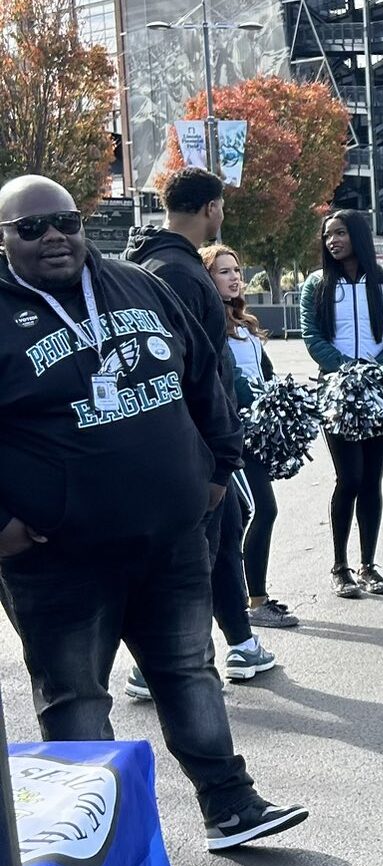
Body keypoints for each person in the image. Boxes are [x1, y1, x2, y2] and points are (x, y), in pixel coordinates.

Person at [0, 175, 308, 852]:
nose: (53, 236)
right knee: (76, 700)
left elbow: (205, 371)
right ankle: (97, 849)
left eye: (65, 220)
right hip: (59, 562)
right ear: (5, 240)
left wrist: (220, 463)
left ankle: (231, 805)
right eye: (30, 228)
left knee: (189, 671)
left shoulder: (138, 284)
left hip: (169, 541)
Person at [125, 166, 276, 690]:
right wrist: (216, 445)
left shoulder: (147, 260)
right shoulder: (180, 273)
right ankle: (160, 664)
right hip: (191, 444)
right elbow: (194, 370)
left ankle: (240, 642)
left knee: (224, 532)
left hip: (181, 439)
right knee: (195, 556)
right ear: (212, 207)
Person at [299, 209, 383, 599]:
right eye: (328, 235)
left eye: (341, 233)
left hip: (380, 390)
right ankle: (339, 566)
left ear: (359, 236)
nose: (333, 240)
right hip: (335, 392)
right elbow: (311, 337)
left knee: (371, 480)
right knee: (349, 478)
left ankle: (368, 565)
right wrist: (347, 370)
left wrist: (376, 370)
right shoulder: (315, 285)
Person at [205, 242, 297, 629]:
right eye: (223, 271)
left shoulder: (246, 326)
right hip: (232, 435)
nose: (235, 278)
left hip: (256, 433)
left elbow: (266, 376)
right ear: (207, 279)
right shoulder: (209, 327)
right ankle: (248, 601)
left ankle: (251, 597)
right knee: (253, 511)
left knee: (257, 512)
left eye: (237, 270)